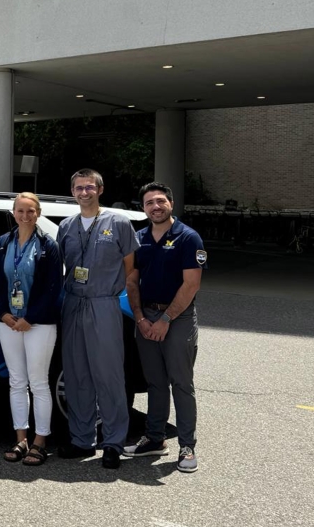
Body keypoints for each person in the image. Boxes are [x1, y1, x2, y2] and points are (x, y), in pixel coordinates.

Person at [55, 168, 138, 469]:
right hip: (73, 304)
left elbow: (131, 267)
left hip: (104, 305)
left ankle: (113, 442)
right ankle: (81, 439)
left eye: (89, 187)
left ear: (100, 190)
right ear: (73, 191)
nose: (84, 192)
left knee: (109, 376)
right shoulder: (66, 225)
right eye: (79, 188)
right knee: (77, 375)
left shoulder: (118, 222)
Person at [0, 193, 63, 466]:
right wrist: (3, 314)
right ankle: (21, 438)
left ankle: (40, 442)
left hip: (39, 323)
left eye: (31, 211)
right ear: (14, 213)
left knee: (38, 382)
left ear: (38, 214)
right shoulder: (2, 243)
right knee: (16, 381)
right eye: (21, 211)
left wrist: (31, 317)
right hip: (9, 322)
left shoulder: (49, 245)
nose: (25, 216)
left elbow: (53, 288)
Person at [125, 182, 205, 473]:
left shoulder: (188, 237)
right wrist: (140, 318)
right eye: (149, 203)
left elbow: (191, 284)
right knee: (155, 383)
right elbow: (131, 280)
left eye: (160, 201)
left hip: (177, 318)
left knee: (182, 384)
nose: (155, 206)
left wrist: (165, 320)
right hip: (146, 316)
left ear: (171, 203)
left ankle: (187, 446)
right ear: (143, 208)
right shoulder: (139, 237)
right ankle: (155, 439)